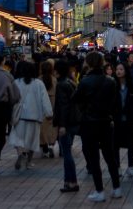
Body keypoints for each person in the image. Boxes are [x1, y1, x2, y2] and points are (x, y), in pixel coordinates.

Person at [74, 52, 123, 202]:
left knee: (93, 157)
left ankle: (99, 190)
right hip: (106, 122)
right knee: (110, 155)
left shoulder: (85, 81)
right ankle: (116, 188)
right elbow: (115, 103)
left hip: (89, 123)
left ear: (88, 63)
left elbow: (76, 100)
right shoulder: (111, 81)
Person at [8, 61, 54, 171]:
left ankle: (20, 154)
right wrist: (49, 113)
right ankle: (28, 161)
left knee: (18, 138)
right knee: (33, 141)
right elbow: (45, 100)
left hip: (20, 116)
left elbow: (11, 99)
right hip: (35, 116)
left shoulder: (16, 82)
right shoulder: (38, 83)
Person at [53, 59, 82, 194]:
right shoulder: (71, 82)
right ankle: (70, 181)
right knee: (67, 152)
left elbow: (63, 106)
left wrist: (62, 125)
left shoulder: (61, 85)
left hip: (67, 123)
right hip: (74, 120)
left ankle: (70, 182)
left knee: (67, 153)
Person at [113, 62, 133, 177]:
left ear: (125, 71)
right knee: (115, 144)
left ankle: (130, 166)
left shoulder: (132, 86)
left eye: (121, 69)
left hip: (130, 120)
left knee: (131, 144)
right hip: (116, 120)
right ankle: (117, 167)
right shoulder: (113, 85)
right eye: (117, 69)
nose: (118, 71)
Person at [39, 59, 58, 158]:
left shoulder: (39, 80)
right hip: (53, 103)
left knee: (42, 126)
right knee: (52, 126)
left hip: (42, 104)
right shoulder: (54, 79)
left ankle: (44, 146)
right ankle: (51, 144)